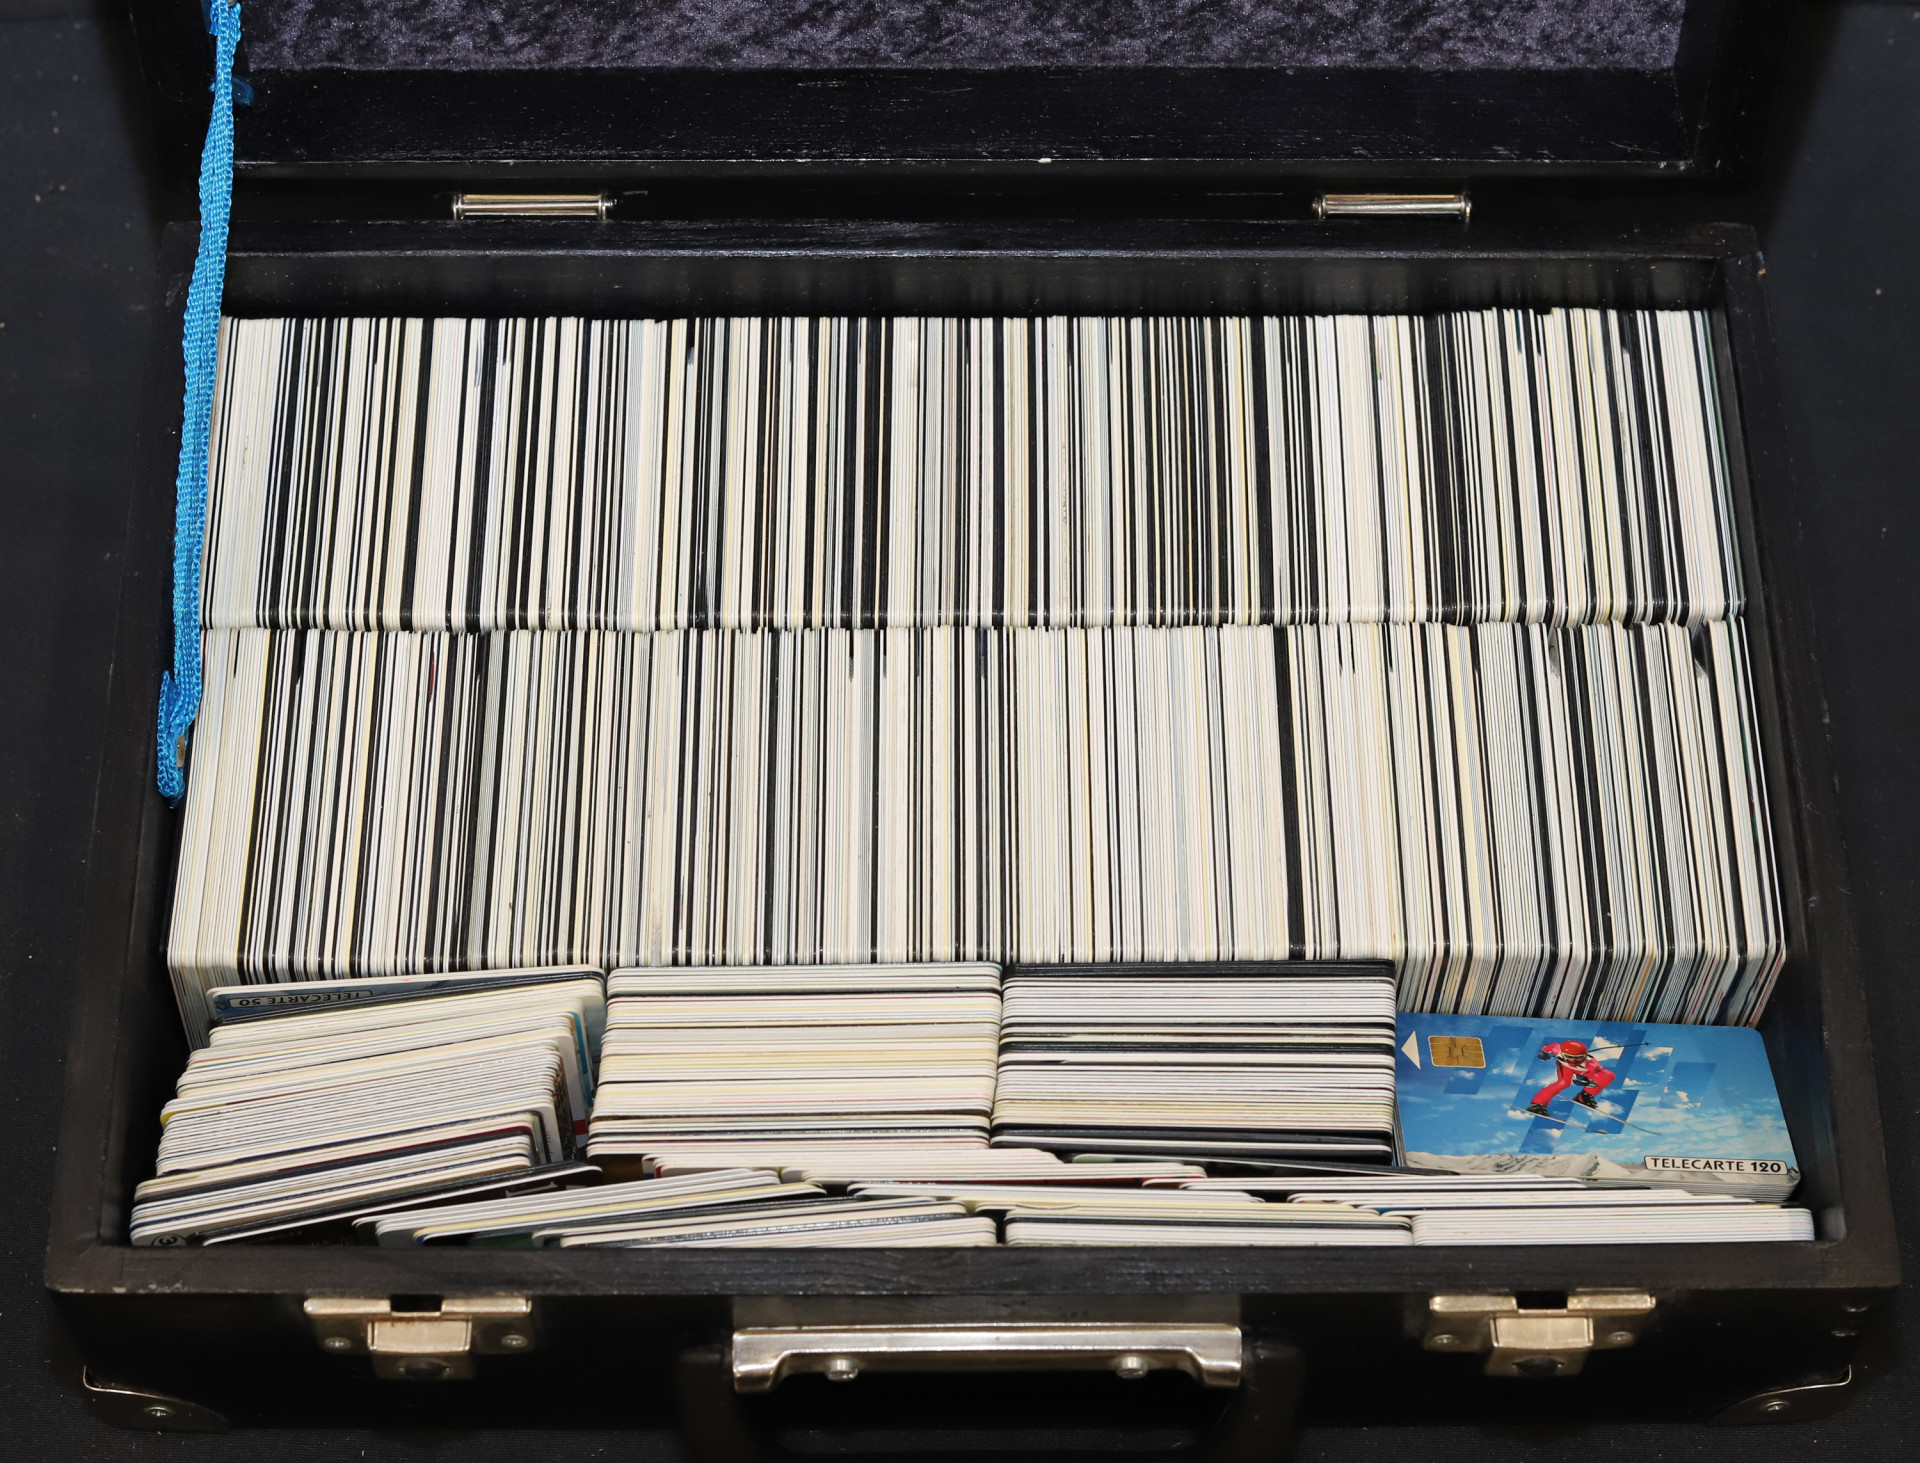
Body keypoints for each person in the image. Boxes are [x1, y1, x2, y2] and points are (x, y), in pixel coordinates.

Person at [1524, 1039, 1616, 1116]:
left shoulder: (1591, 1064)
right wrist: (1544, 1053)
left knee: (1608, 1075)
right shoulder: (1557, 1050)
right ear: (1563, 1054)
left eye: (1579, 1058)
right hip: (1565, 1068)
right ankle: (1537, 1104)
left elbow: (1600, 1075)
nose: (1575, 1061)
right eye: (1571, 1057)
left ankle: (1585, 1096)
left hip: (1583, 1071)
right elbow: (1549, 1047)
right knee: (1563, 1083)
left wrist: (1587, 1082)